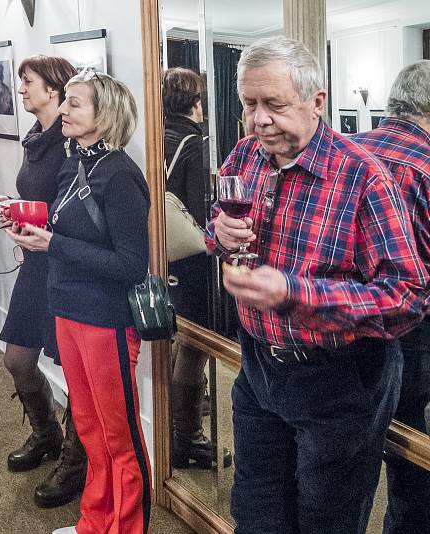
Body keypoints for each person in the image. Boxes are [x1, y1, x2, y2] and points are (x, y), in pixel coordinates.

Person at [208, 36, 428, 533]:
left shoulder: (365, 178)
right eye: (249, 104)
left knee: (326, 523)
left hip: (341, 383)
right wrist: (217, 233)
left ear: (318, 102)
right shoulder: (244, 156)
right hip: (259, 370)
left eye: (274, 105)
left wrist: (295, 294)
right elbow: (215, 230)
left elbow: (407, 296)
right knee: (256, 517)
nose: (258, 119)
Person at [8, 69, 151, 534]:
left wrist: (53, 245)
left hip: (106, 321)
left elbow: (130, 265)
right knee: (89, 430)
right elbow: (68, 226)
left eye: (75, 103)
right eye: (65, 101)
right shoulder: (73, 164)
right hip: (67, 311)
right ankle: (94, 521)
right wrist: (21, 219)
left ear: (103, 115)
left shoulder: (123, 176)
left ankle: (125, 528)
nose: (64, 111)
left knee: (119, 436)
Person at [0, 54, 88, 507]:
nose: (22, 89)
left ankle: (76, 460)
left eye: (28, 82)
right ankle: (46, 432)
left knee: (77, 370)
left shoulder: (72, 143)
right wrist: (15, 211)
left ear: (54, 89)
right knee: (17, 359)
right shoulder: (35, 138)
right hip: (35, 263)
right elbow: (40, 198)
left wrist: (39, 225)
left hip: (65, 266)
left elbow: (76, 211)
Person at [351, 60, 430, 534]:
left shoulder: (348, 151)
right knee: (411, 466)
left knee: (346, 468)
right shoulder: (426, 164)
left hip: (341, 324)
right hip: (413, 332)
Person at [162, 67, 232, 471]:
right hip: (192, 259)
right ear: (195, 101)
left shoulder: (159, 137)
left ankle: (178, 430)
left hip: (167, 257)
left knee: (178, 340)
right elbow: (201, 211)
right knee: (194, 346)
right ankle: (186, 438)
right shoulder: (194, 143)